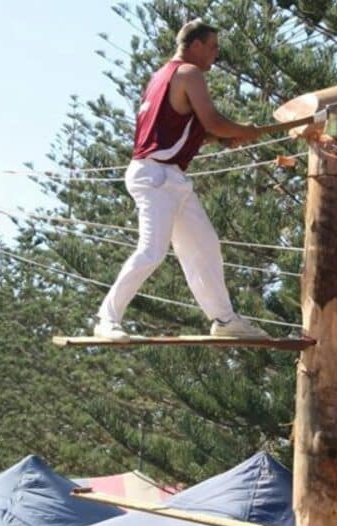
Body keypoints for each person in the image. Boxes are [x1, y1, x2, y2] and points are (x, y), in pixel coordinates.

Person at [93, 19, 269, 341]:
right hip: (156, 175)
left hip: (167, 176)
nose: (215, 55)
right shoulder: (189, 73)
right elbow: (213, 120)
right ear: (196, 45)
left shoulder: (160, 77)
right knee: (152, 251)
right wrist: (245, 130)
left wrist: (219, 139)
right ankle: (107, 318)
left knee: (205, 245)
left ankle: (224, 320)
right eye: (212, 47)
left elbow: (178, 131)